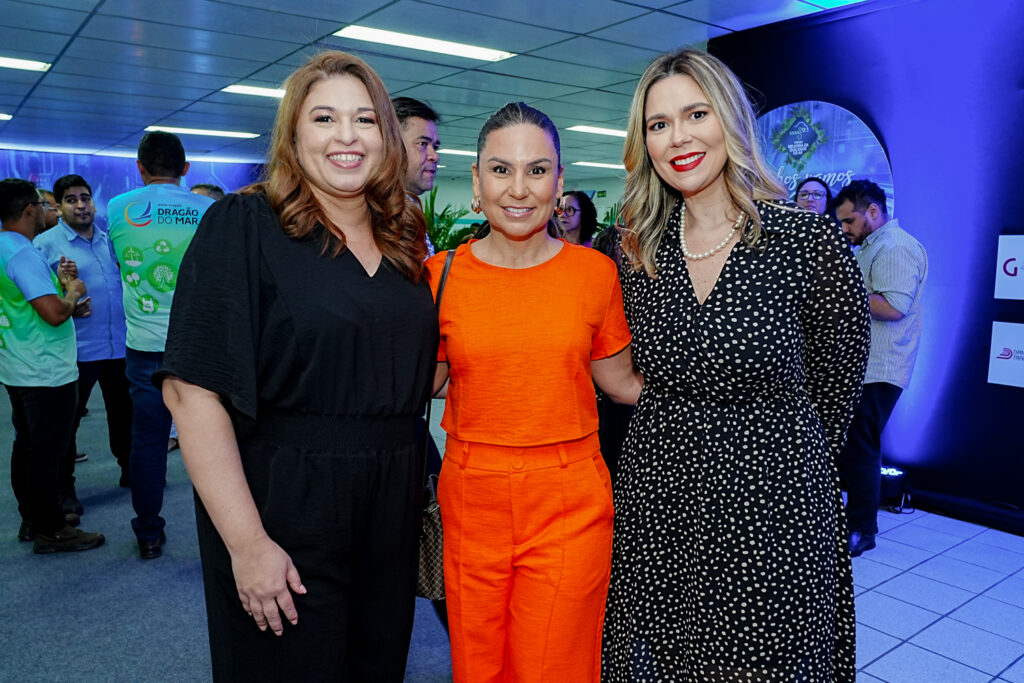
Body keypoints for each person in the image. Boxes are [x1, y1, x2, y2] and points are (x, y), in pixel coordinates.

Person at [158, 51, 437, 681]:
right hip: (286, 505)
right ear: (292, 134)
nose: (347, 136)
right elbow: (192, 393)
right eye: (324, 118)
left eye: (365, 119)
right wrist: (247, 544)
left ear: (387, 137)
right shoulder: (244, 224)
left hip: (390, 510)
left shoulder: (401, 238)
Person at [601, 48, 870, 682]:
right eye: (659, 124)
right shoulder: (635, 251)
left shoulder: (807, 242)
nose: (678, 137)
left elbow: (836, 384)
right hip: (661, 498)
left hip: (772, 506)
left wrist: (777, 461)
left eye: (696, 114)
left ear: (731, 120)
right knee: (664, 662)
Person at [427, 101, 642, 682]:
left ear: (559, 181)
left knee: (557, 666)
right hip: (472, 494)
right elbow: (426, 382)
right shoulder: (440, 275)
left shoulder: (594, 273)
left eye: (537, 170)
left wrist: (733, 395)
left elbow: (621, 383)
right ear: (477, 181)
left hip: (568, 495)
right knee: (478, 668)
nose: (519, 189)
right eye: (501, 170)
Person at [107, 131, 215, 559]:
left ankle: (148, 533)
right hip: (198, 344)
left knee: (148, 441)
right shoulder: (208, 210)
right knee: (211, 440)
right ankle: (221, 531)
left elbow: (118, 262)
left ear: (140, 168)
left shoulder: (118, 207)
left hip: (144, 346)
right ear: (185, 168)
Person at [0, 178, 104, 553]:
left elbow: (27, 307)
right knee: (46, 453)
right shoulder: (23, 255)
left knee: (28, 446)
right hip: (45, 370)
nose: (50, 211)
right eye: (45, 205)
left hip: (18, 365)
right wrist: (72, 292)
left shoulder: (4, 247)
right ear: (30, 210)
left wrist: (62, 292)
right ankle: (52, 530)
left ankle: (33, 518)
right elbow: (54, 314)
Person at [835, 179, 927, 557]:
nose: (844, 229)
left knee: (861, 447)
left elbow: (892, 307)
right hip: (863, 366)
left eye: (849, 220)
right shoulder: (873, 246)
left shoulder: (894, 247)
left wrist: (841, 293)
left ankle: (862, 529)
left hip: (880, 367)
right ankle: (849, 521)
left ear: (873, 210)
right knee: (854, 446)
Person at [34, 174, 133, 495]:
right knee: (67, 423)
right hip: (77, 351)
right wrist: (68, 304)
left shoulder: (110, 241)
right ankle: (65, 492)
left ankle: (131, 471)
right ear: (59, 208)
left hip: (119, 346)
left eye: (85, 198)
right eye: (71, 200)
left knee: (125, 416)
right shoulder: (45, 245)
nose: (81, 206)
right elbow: (37, 300)